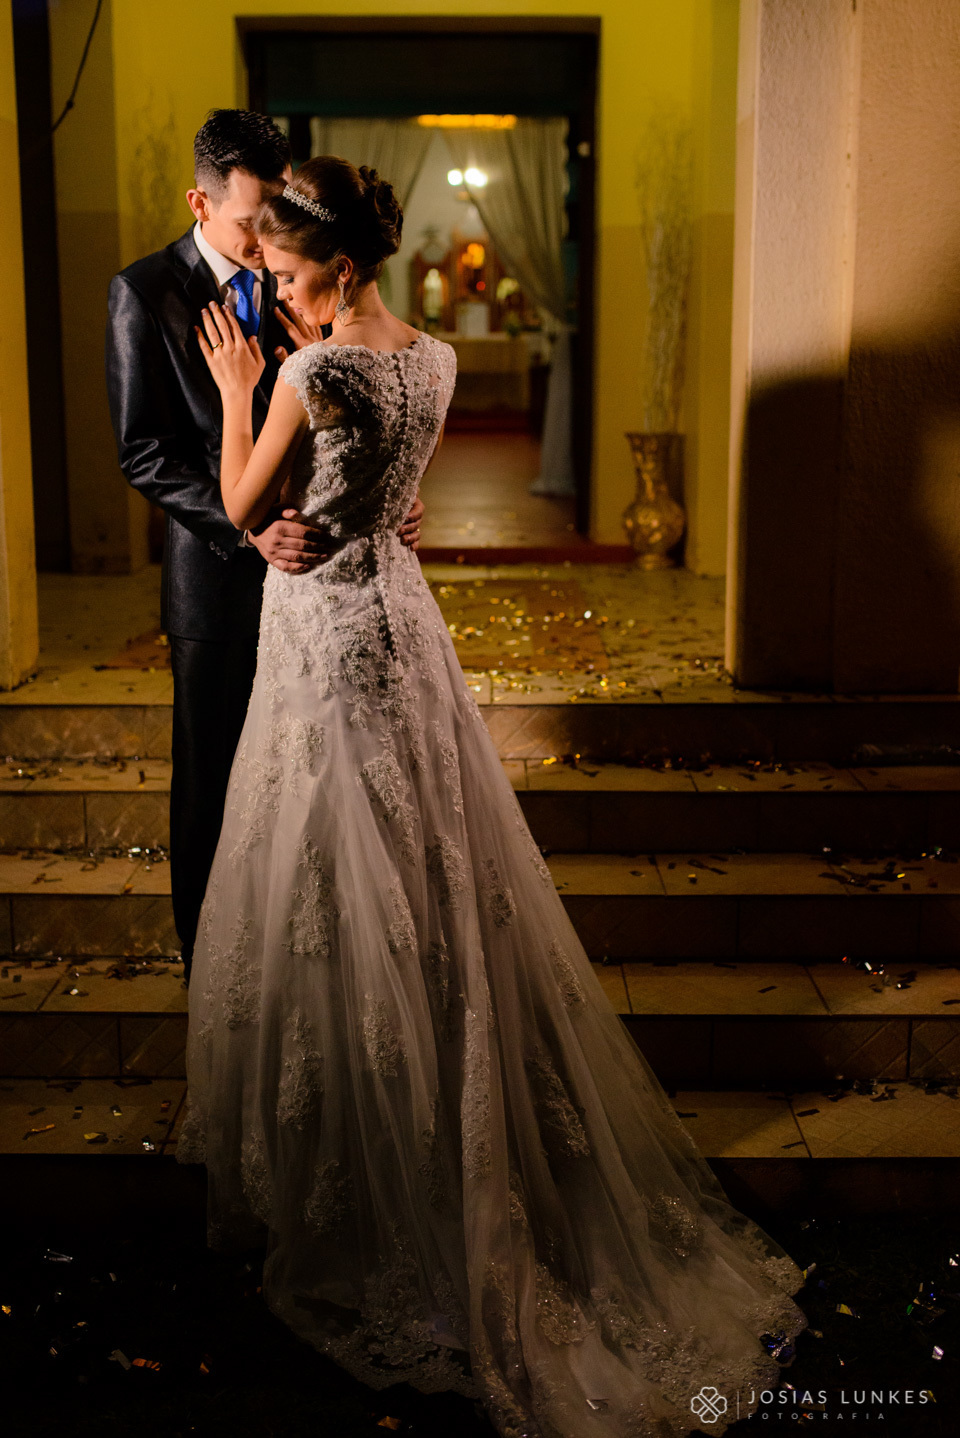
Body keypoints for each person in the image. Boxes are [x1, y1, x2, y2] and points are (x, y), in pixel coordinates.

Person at [176, 155, 807, 1438]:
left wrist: (242, 392)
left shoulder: (304, 369)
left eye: (290, 276)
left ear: (339, 267)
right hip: (402, 627)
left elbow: (250, 500)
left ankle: (371, 1177)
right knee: (419, 868)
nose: (276, 294)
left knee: (337, 871)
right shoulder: (435, 360)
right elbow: (390, 498)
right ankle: (422, 1122)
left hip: (327, 633)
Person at [104, 110, 425, 985]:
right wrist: (242, 522)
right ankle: (212, 974)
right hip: (215, 580)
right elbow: (144, 451)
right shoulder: (144, 293)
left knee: (306, 788)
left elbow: (351, 401)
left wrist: (382, 494)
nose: (264, 242)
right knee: (215, 786)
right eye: (250, 222)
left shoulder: (305, 275)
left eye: (275, 218)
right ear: (199, 204)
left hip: (325, 585)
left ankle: (302, 973)